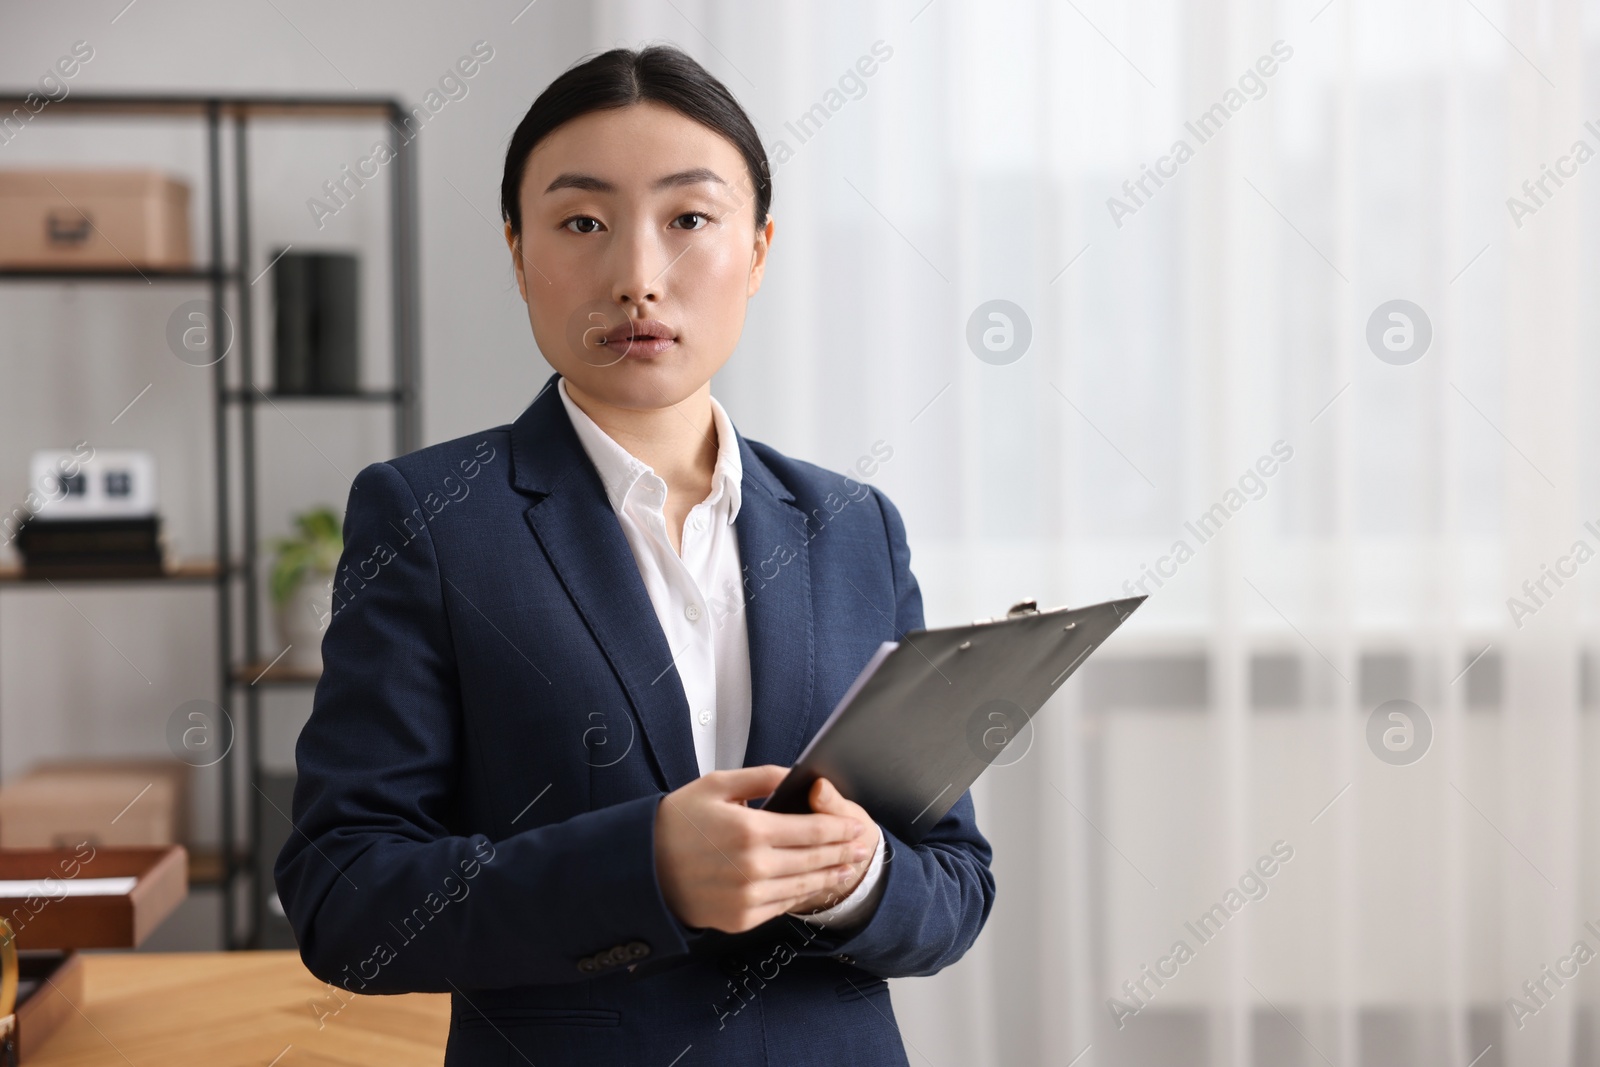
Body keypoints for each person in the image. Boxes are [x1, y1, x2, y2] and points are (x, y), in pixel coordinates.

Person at [274, 43, 994, 1067]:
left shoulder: (854, 527)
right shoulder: (430, 519)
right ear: (520, 253)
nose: (636, 277)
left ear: (756, 249)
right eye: (581, 223)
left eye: (689, 219)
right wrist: (644, 864)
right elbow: (346, 897)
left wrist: (858, 871)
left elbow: (954, 884)